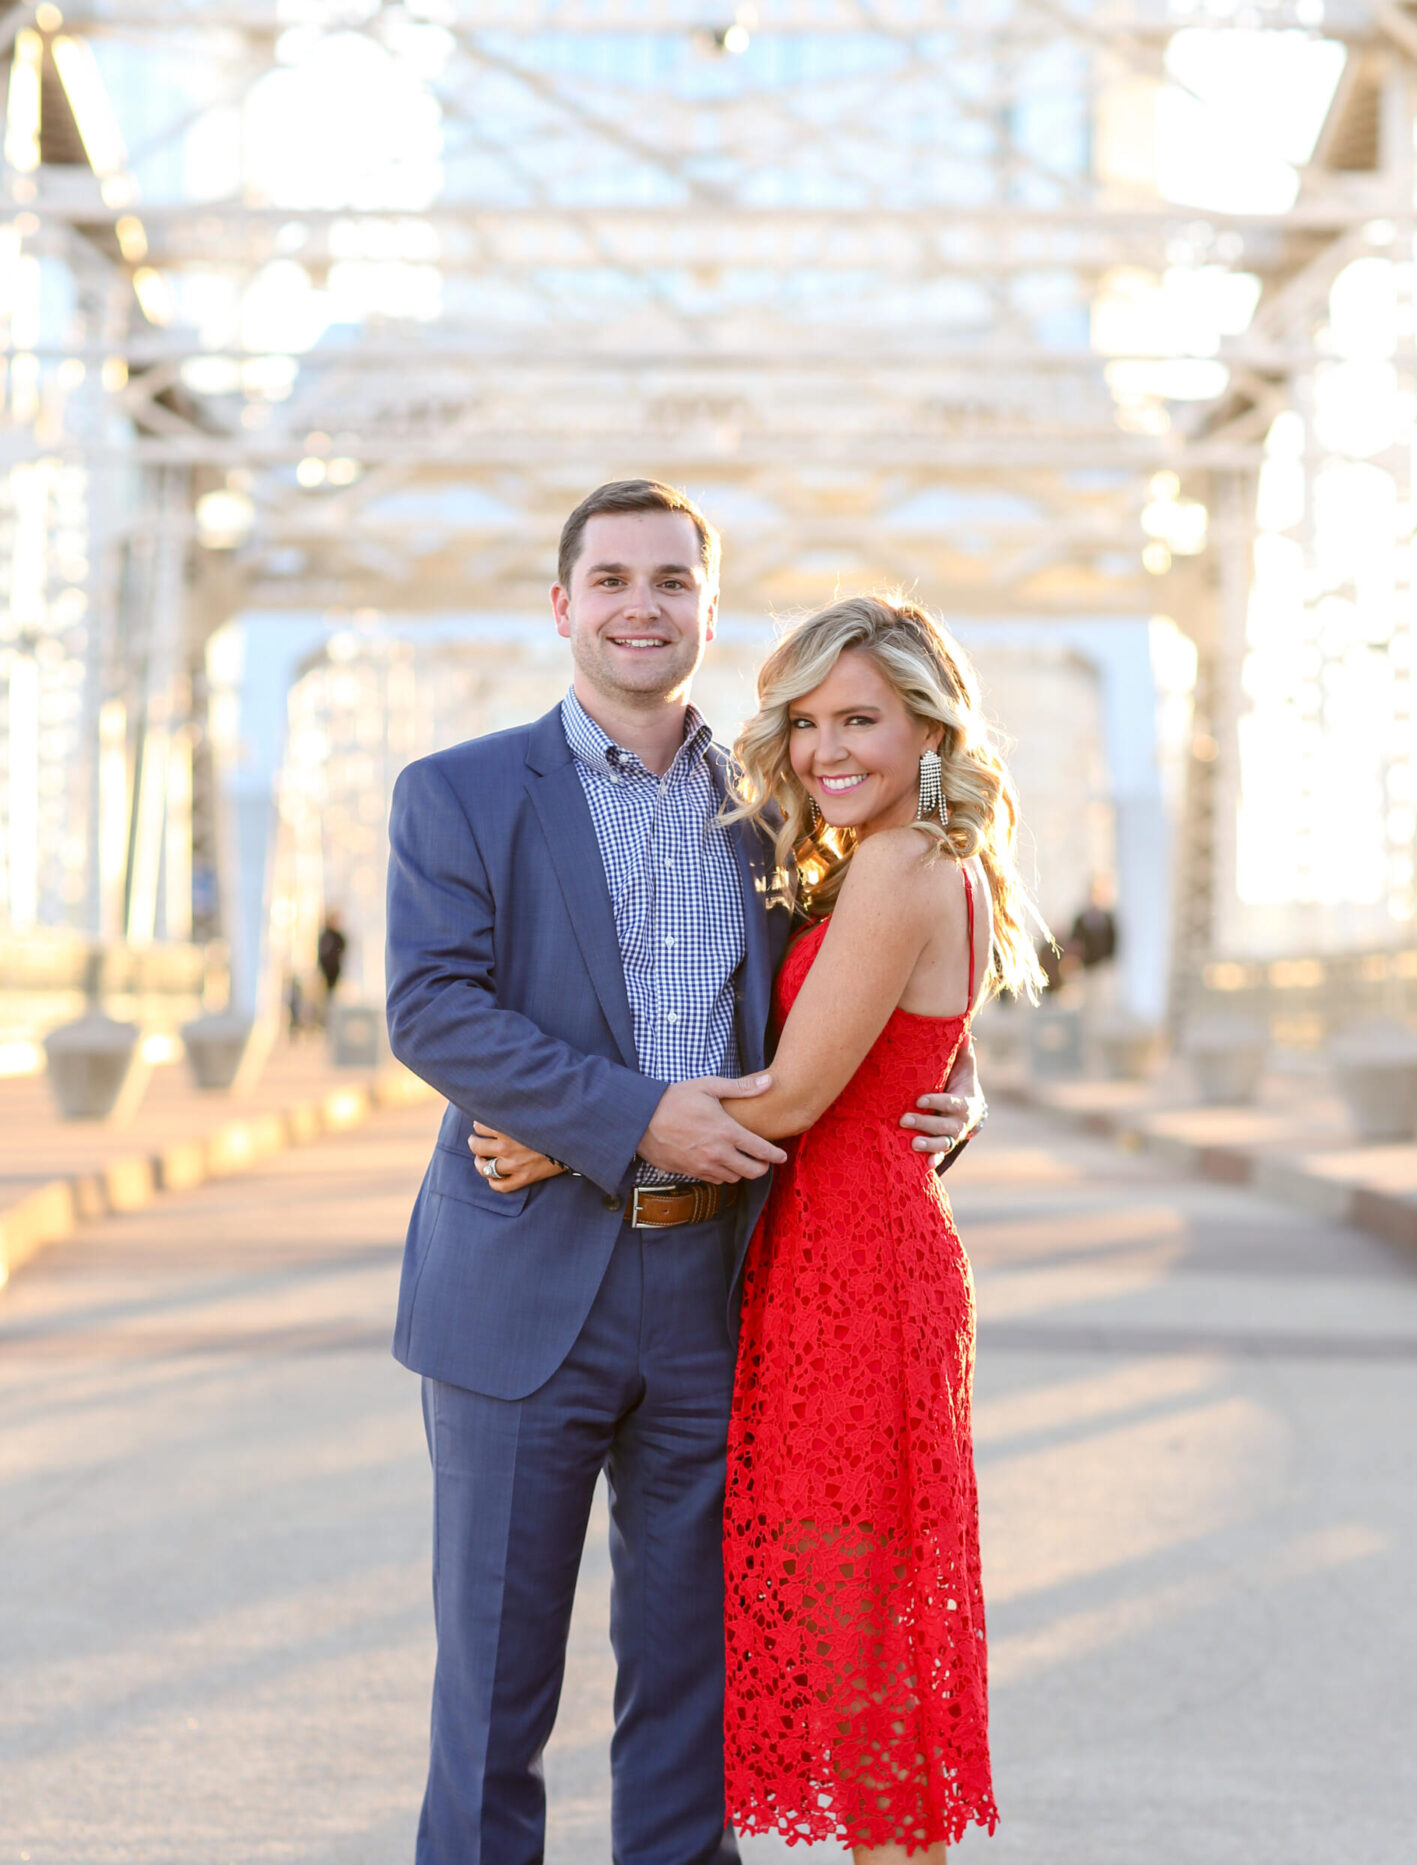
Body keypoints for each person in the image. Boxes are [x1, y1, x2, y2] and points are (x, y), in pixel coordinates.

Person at [384, 480, 982, 1865]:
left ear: (710, 613)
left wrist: (953, 1087)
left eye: (671, 581)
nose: (640, 605)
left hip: (722, 1292)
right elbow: (434, 1011)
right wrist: (628, 1117)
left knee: (690, 1702)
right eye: (611, 581)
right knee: (491, 1708)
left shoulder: (786, 814)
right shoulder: (460, 792)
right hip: (519, 1290)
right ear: (563, 608)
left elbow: (875, 994)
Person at [715, 595, 1046, 1860]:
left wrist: (571, 1127)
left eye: (859, 718)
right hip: (840, 1254)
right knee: (859, 1626)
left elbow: (795, 1094)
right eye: (804, 722)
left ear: (929, 726)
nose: (823, 750)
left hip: (856, 1268)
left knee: (865, 1645)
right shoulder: (896, 858)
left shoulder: (904, 863)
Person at [317, 909, 347, 999]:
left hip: (334, 969)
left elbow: (342, 948)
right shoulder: (326, 935)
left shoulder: (337, 936)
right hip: (326, 970)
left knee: (332, 992)